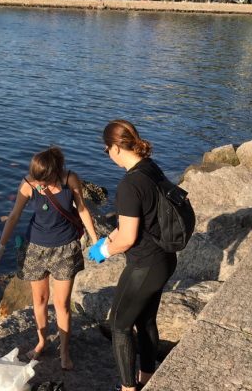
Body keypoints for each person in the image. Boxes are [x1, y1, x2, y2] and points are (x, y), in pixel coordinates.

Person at [0, 147, 97, 370]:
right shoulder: (29, 184)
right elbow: (14, 216)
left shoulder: (70, 179)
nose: (38, 184)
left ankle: (64, 351)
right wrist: (0, 248)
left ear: (55, 172)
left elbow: (82, 209)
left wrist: (95, 240)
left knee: (62, 304)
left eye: (43, 180)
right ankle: (41, 342)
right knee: (39, 300)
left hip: (65, 249)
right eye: (36, 179)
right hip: (35, 249)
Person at [88, 120, 178, 391]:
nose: (109, 155)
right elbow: (139, 218)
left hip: (144, 265)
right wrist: (108, 238)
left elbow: (128, 238)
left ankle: (128, 388)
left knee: (119, 325)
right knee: (145, 319)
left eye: (107, 150)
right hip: (165, 258)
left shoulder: (129, 184)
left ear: (115, 148)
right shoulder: (150, 168)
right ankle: (148, 378)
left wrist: (104, 251)